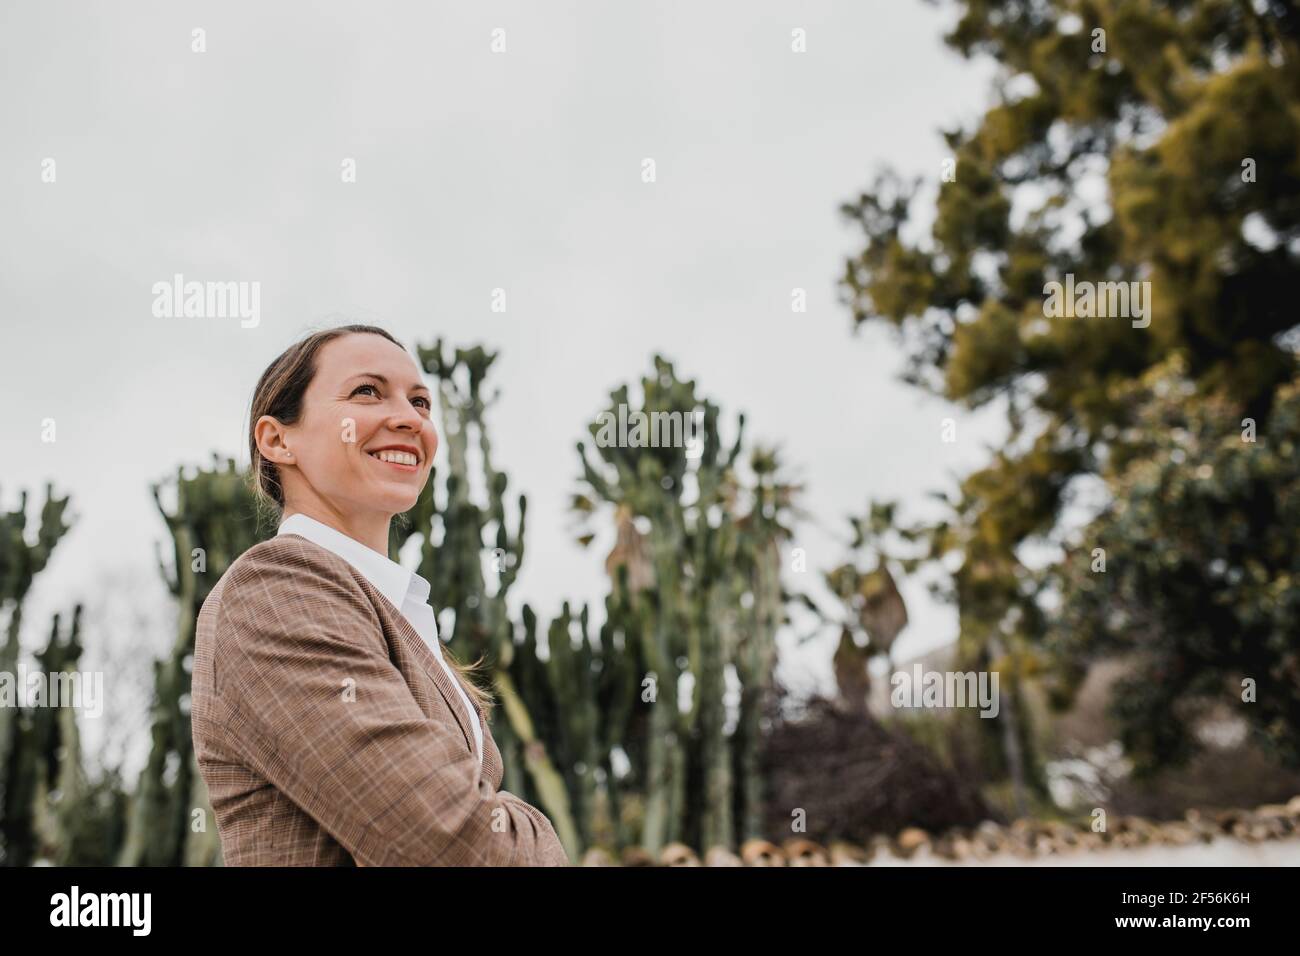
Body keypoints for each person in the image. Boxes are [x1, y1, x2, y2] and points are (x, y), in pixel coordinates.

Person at [191, 323, 568, 866]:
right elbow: (452, 841)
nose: (410, 418)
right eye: (367, 391)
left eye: (420, 402)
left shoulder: (394, 611)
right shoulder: (274, 590)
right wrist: (531, 827)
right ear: (277, 440)